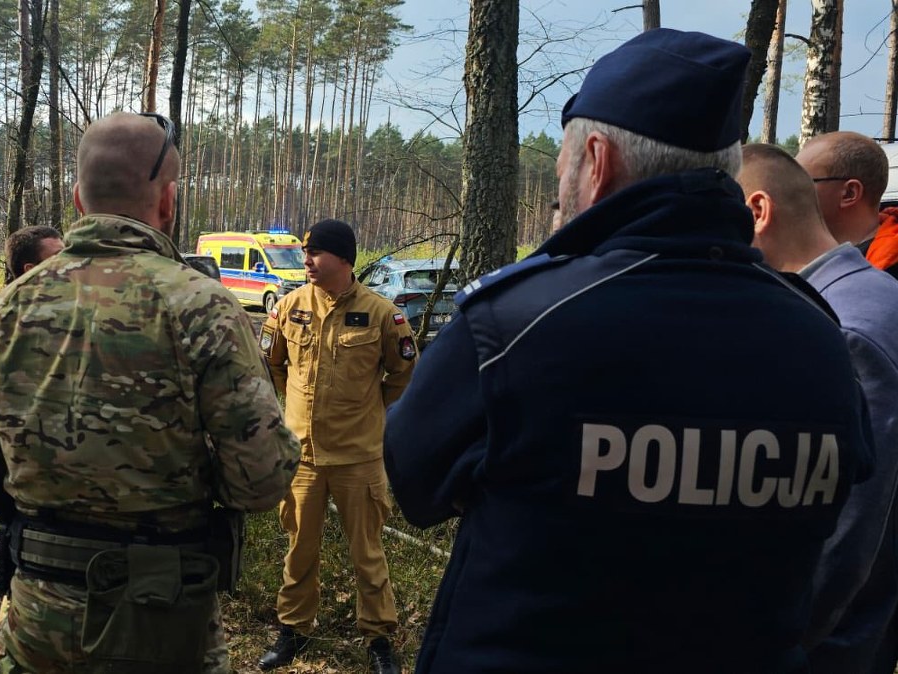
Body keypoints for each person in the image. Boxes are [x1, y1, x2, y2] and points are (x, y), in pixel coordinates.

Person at [383, 29, 872, 673]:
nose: (562, 188)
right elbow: (844, 524)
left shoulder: (516, 324)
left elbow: (415, 487)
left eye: (563, 167)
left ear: (598, 158)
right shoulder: (821, 338)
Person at [0, 111, 300, 673]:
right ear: (168, 201)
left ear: (79, 202)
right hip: (162, 621)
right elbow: (260, 480)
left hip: (36, 614)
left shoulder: (6, 308)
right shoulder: (202, 307)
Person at [738, 142, 898, 674]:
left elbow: (851, 529)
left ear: (758, 212)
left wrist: (773, 646)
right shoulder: (869, 298)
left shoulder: (845, 329)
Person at [257, 217, 416, 674]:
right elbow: (272, 365)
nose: (305, 260)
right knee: (299, 547)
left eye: (314, 253)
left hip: (357, 459)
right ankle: (293, 630)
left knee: (368, 553)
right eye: (305, 252)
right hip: (302, 456)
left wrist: (371, 412)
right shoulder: (288, 307)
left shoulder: (383, 313)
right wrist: (291, 412)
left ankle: (380, 640)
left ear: (344, 259)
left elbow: (402, 373)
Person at [796, 131, 898, 280]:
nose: (790, 190)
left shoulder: (891, 270)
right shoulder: (798, 257)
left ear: (849, 193)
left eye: (802, 181)